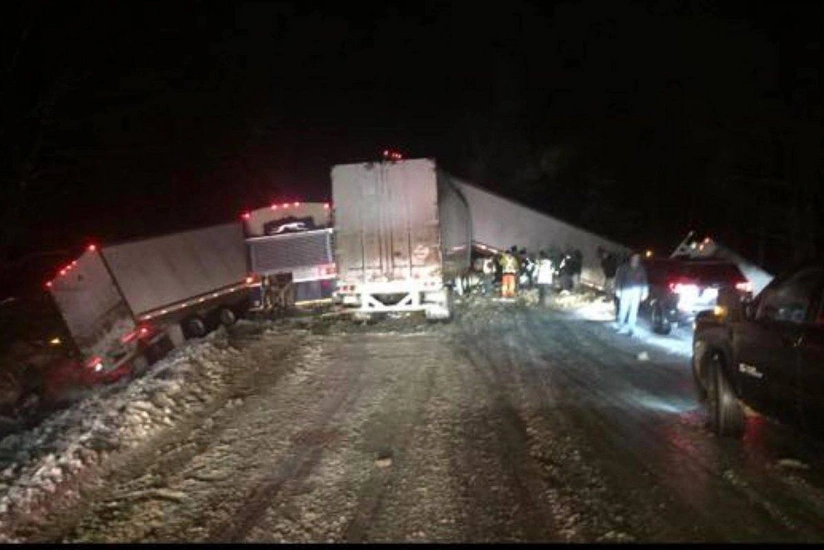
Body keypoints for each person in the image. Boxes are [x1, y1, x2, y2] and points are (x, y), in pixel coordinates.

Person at [614, 252, 649, 336]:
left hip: (636, 292)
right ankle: (620, 326)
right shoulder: (624, 267)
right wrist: (618, 289)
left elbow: (644, 281)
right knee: (623, 309)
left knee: (633, 311)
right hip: (626, 291)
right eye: (634, 257)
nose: (636, 259)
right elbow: (618, 279)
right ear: (631, 258)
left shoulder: (641, 269)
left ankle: (631, 328)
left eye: (637, 258)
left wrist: (645, 292)